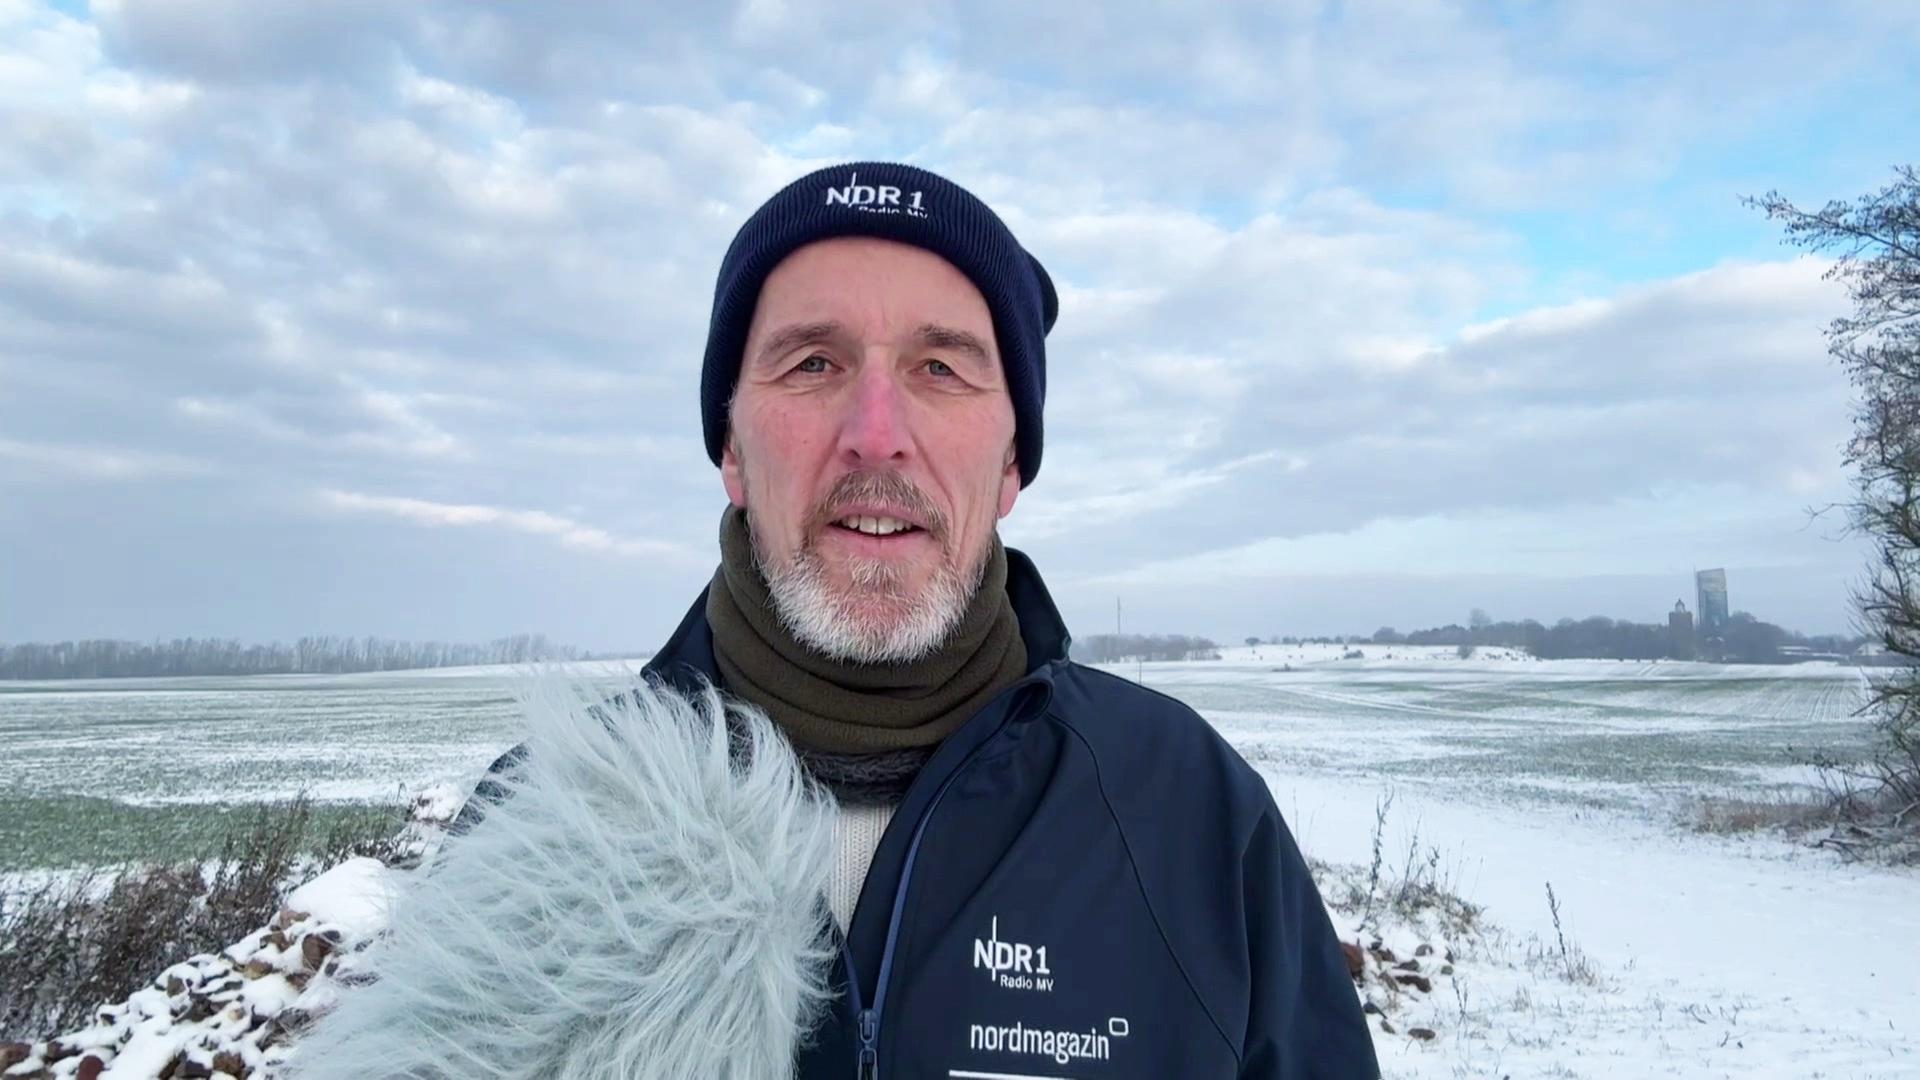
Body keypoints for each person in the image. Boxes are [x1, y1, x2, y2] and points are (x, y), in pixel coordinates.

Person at [294, 162, 1380, 1079]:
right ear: (731, 448)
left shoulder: (1187, 813)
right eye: (812, 363)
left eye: (942, 368)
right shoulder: (543, 826)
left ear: (1011, 464)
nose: (875, 433)